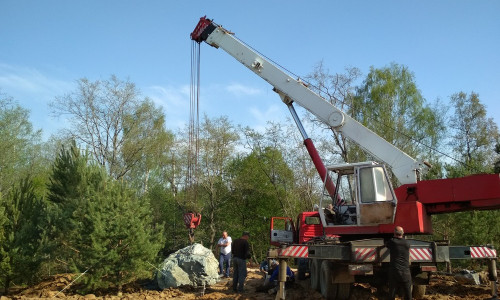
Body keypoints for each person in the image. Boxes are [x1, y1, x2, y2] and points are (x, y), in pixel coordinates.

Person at [386, 226, 412, 300]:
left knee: (392, 292)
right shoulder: (407, 243)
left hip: (395, 271)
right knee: (408, 292)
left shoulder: (392, 242)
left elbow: (387, 245)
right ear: (403, 233)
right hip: (406, 272)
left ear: (394, 233)